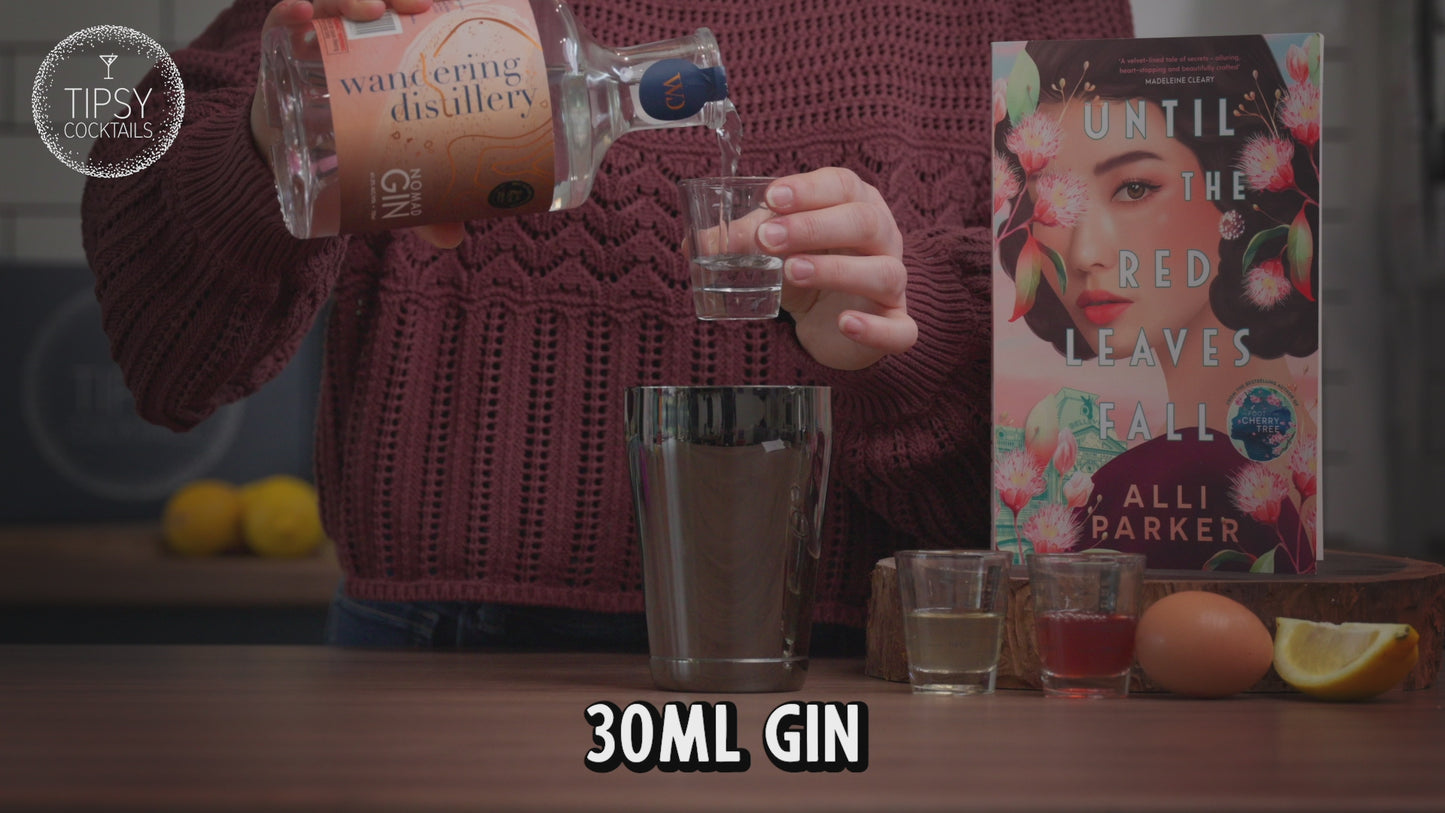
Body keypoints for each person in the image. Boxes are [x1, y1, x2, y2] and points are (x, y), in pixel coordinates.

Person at [83, 0, 1135, 647]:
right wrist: (272, 150)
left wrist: (905, 334)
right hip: (446, 651)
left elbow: (1089, 473)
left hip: (871, 667)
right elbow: (161, 342)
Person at [994, 35, 1320, 571]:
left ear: (1239, 189)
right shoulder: (1282, 460)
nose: (1086, 253)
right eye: (1050, 204)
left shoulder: (1165, 482)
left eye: (1135, 188)